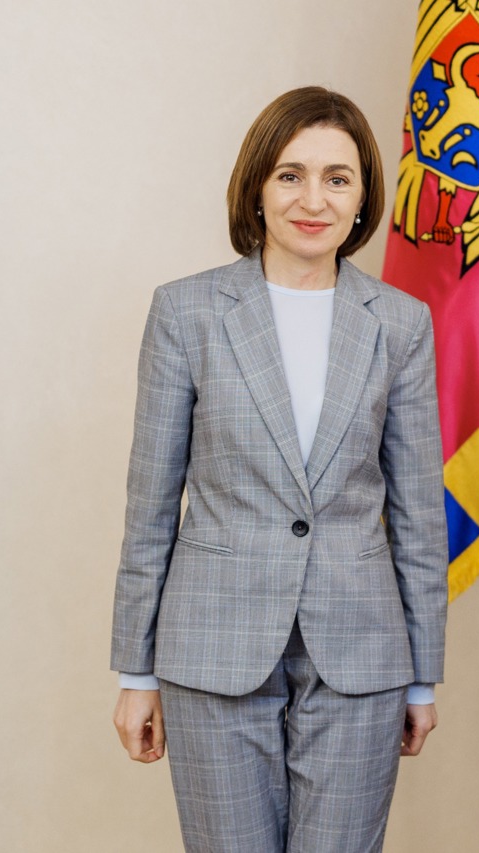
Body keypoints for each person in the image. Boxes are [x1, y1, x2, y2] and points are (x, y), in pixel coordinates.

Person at [109, 86, 448, 853]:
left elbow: (419, 512)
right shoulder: (187, 312)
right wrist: (135, 671)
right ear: (257, 185)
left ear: (364, 198)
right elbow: (152, 503)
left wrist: (424, 673)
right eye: (290, 174)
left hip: (361, 654)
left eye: (338, 177)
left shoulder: (400, 323)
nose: (313, 199)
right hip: (211, 647)